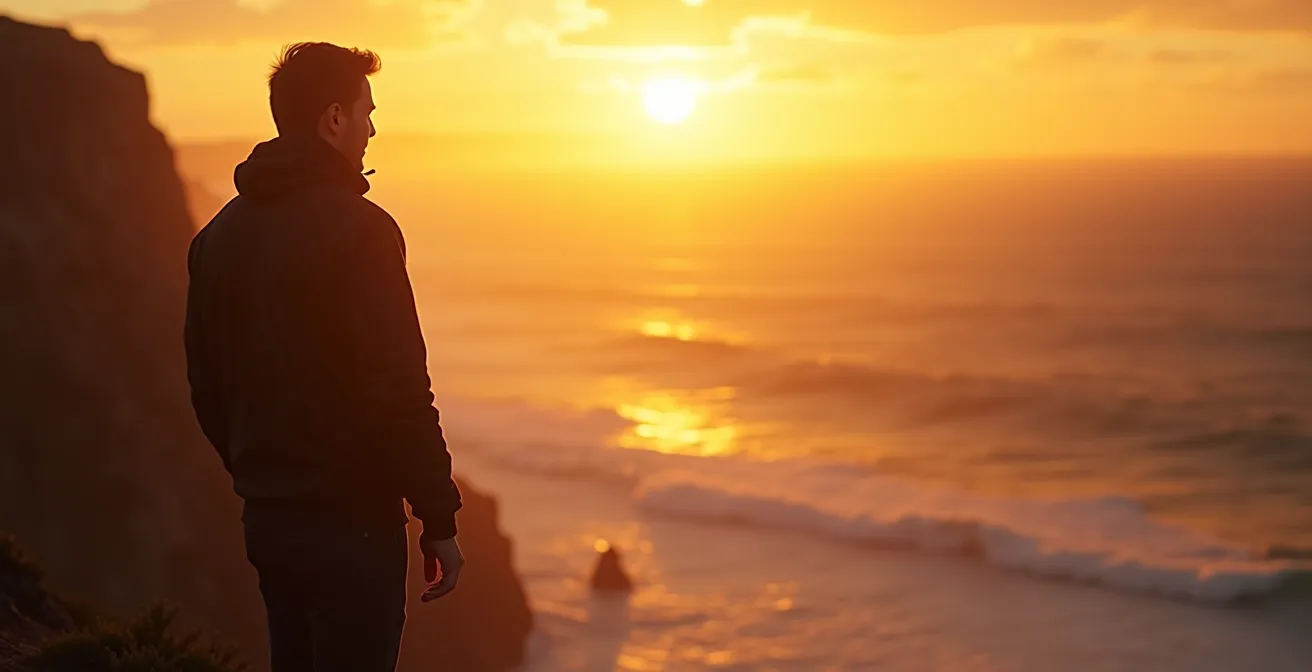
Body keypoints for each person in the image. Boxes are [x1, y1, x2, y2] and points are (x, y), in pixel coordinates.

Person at [184, 42, 464, 672]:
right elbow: (398, 388)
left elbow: (206, 386)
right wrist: (437, 516)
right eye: (366, 111)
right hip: (351, 523)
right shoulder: (362, 230)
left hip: (269, 517)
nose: (372, 127)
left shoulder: (216, 237)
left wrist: (261, 473)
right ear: (333, 117)